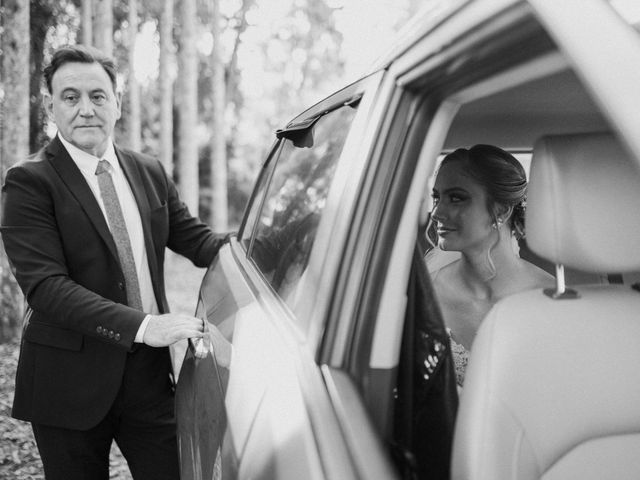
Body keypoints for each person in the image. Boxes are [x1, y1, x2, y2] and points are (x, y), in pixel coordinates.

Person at [0, 45, 231, 480]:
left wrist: (288, 238)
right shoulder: (29, 181)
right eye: (70, 97)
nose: (85, 109)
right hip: (68, 379)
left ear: (117, 103)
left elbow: (200, 243)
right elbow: (47, 288)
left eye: (98, 96)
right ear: (51, 105)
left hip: (148, 376)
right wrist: (147, 326)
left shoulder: (149, 171)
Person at [426, 145, 553, 386]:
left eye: (456, 198)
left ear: (501, 210)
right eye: (436, 197)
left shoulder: (550, 299)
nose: (436, 213)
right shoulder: (424, 295)